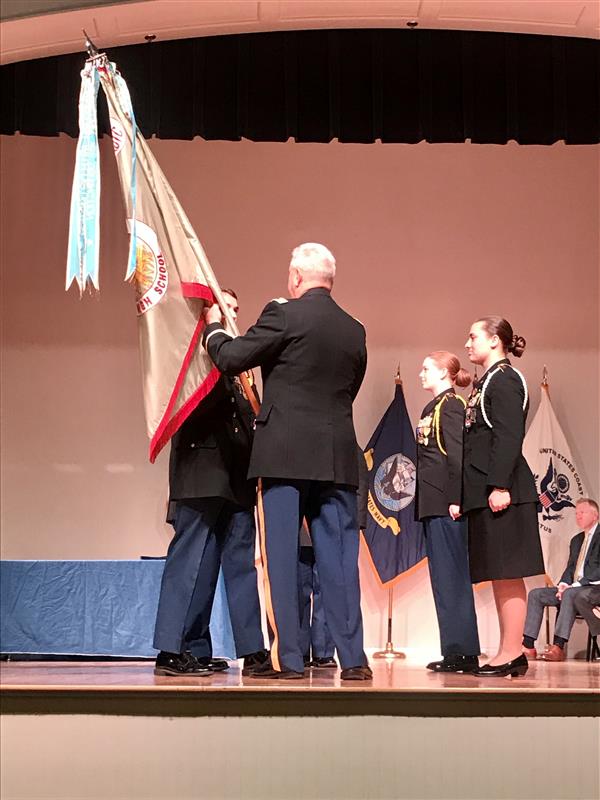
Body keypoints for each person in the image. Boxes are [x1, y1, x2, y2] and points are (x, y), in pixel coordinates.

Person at [203, 243, 371, 680]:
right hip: (336, 456)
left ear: (296, 277)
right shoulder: (355, 329)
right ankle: (354, 661)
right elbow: (350, 388)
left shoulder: (282, 314)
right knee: (340, 563)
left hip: (283, 457)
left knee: (279, 561)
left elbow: (231, 357)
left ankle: (290, 660)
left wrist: (214, 327)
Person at [153, 290, 268, 677]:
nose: (233, 314)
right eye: (225, 308)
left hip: (236, 475)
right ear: (207, 313)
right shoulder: (193, 356)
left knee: (239, 564)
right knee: (191, 562)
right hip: (202, 471)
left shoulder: (237, 362)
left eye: (236, 309)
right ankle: (172, 648)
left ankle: (249, 650)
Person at [462, 316, 544, 678]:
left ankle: (513, 652)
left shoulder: (506, 379)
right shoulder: (487, 381)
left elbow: (509, 436)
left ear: (495, 340)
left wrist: (499, 486)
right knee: (499, 574)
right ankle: (507, 650)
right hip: (488, 491)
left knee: (508, 573)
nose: (468, 344)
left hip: (504, 491)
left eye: (473, 337)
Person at [416, 351, 480, 673]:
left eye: (427, 368)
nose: (421, 373)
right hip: (433, 503)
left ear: (444, 372)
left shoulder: (452, 405)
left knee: (453, 578)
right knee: (442, 580)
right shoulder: (432, 406)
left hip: (446, 504)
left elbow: (457, 454)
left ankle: (464, 651)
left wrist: (456, 499)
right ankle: (453, 649)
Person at [522, 498, 600, 661]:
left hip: (594, 589)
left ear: (595, 515)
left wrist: (575, 585)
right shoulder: (576, 540)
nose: (578, 516)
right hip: (573, 588)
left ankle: (558, 646)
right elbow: (571, 567)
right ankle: (528, 646)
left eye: (582, 512)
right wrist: (563, 584)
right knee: (536, 594)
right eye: (576, 513)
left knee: (570, 594)